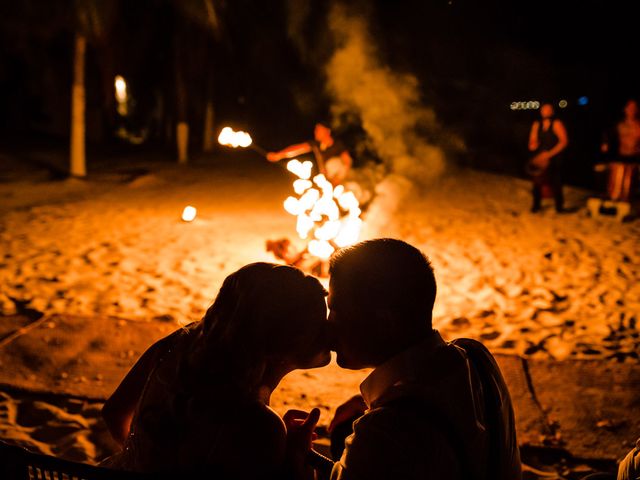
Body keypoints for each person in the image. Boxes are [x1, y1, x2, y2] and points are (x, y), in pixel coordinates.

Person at [289, 238, 522, 480]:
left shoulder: (384, 432)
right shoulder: (475, 355)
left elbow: (402, 439)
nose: (328, 327)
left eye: (335, 311)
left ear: (384, 322)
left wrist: (298, 461)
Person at [100, 262, 331, 477]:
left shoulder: (179, 345)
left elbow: (114, 412)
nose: (328, 331)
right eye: (319, 324)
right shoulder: (260, 425)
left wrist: (145, 458)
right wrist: (295, 456)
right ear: (283, 344)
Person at [267, 123, 353, 187]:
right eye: (316, 130)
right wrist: (279, 155)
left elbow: (347, 162)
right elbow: (298, 148)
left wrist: (338, 178)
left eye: (318, 130)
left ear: (327, 131)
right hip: (327, 181)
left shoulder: (337, 145)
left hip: (343, 181)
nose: (315, 132)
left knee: (333, 164)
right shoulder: (316, 144)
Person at [527, 103, 569, 213]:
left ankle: (559, 207)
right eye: (543, 109)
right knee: (537, 181)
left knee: (556, 181)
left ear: (552, 112)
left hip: (555, 155)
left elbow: (564, 142)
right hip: (541, 156)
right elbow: (532, 140)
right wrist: (533, 145)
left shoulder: (557, 124)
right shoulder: (537, 124)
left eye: (548, 109)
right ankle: (536, 205)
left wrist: (550, 154)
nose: (545, 111)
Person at [600, 99, 640, 202]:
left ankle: (627, 201)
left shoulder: (638, 125)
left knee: (629, 182)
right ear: (625, 109)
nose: (632, 110)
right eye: (629, 108)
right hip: (619, 156)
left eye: (634, 108)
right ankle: (613, 200)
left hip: (634, 157)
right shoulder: (619, 124)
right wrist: (605, 144)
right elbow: (607, 134)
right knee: (616, 180)